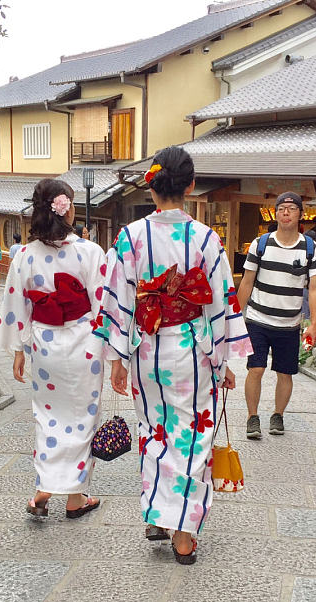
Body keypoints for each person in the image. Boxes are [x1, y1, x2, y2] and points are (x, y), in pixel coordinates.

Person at [95, 146, 250, 565]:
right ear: (191, 185)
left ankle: (157, 514)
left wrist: (117, 360)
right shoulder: (206, 238)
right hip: (192, 351)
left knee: (155, 431)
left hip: (147, 349)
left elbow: (118, 301)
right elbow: (219, 302)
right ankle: (183, 534)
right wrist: (222, 362)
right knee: (193, 436)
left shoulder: (130, 237)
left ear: (154, 184)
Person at [0, 179, 106, 519]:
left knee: (47, 418)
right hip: (85, 345)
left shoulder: (25, 256)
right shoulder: (90, 252)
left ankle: (44, 488)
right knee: (83, 419)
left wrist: (18, 350)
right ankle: (74, 498)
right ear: (67, 207)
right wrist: (116, 355)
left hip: (44, 346)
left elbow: (16, 305)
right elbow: (103, 306)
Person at [237, 191, 316, 439]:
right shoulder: (260, 244)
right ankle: (252, 417)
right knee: (256, 368)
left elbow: (315, 288)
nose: (286, 213)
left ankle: (278, 414)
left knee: (285, 373)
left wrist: (313, 324)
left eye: (292, 208)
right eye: (282, 208)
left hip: (290, 322)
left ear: (300, 214)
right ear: (275, 213)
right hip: (258, 318)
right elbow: (247, 282)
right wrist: (234, 318)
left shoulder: (310, 248)